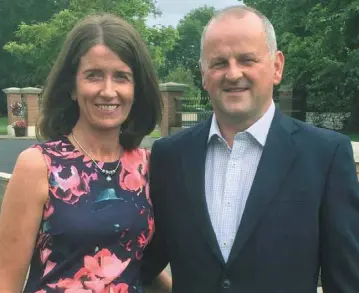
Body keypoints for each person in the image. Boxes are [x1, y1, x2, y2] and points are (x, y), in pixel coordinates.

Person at [141, 4, 359, 293]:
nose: (233, 74)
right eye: (219, 63)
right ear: (204, 74)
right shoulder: (169, 156)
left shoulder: (325, 156)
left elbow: (345, 281)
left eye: (247, 59)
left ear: (276, 67)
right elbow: (142, 263)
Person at [0, 13, 170, 292]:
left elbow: (137, 264)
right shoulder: (39, 165)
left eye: (121, 77)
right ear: (72, 88)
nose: (108, 91)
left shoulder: (147, 165)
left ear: (136, 89)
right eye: (93, 76)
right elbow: (5, 281)